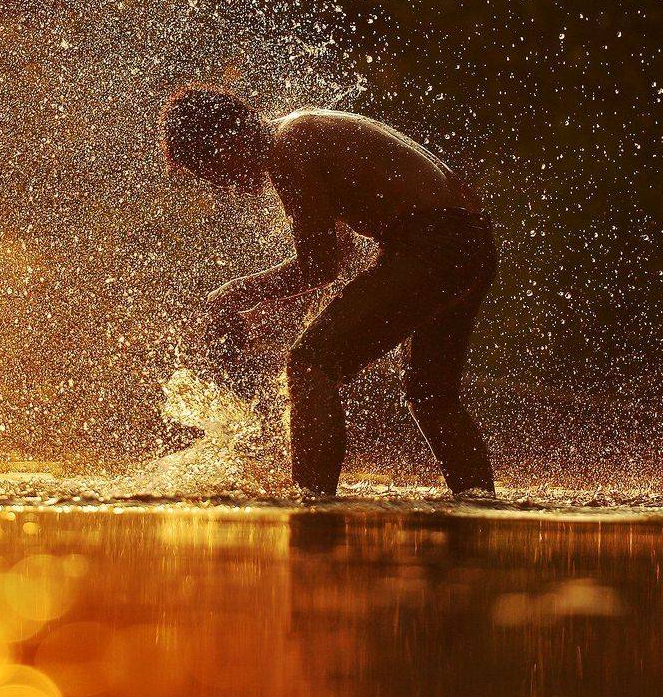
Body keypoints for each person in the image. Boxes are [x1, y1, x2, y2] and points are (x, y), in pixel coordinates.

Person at [159, 87, 496, 496]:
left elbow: (319, 265)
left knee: (308, 364)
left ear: (223, 143)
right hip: (472, 241)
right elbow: (340, 252)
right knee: (431, 397)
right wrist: (281, 313)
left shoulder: (287, 148)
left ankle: (313, 507)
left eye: (210, 171)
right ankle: (480, 504)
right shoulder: (301, 132)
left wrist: (235, 294)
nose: (221, 186)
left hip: (432, 246)